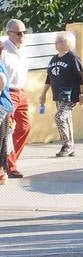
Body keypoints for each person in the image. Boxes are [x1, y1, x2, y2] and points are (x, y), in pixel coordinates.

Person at [40, 31, 83, 157]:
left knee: (59, 117)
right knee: (66, 119)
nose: (55, 43)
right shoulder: (54, 59)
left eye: (58, 41)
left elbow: (81, 78)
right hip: (58, 95)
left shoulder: (73, 58)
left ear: (65, 43)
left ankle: (67, 145)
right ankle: (71, 146)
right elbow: (49, 78)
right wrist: (43, 94)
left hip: (70, 95)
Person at [3, 19, 32, 177]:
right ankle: (9, 165)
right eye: (19, 33)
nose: (22, 35)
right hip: (8, 93)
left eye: (24, 32)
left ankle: (9, 161)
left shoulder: (24, 49)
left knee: (25, 127)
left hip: (22, 92)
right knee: (6, 131)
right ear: (9, 33)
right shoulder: (3, 49)